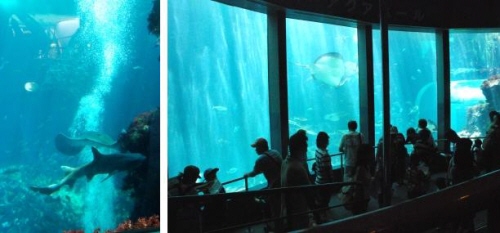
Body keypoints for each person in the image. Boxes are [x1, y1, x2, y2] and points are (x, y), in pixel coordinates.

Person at [244, 137, 283, 231]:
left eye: (256, 147)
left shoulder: (261, 159)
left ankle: (278, 229)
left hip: (274, 187)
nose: (255, 150)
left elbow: (254, 173)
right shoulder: (275, 152)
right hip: (283, 182)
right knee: (282, 207)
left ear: (261, 147)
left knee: (275, 209)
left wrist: (246, 175)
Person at [281, 130, 316, 230]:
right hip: (299, 213)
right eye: (305, 146)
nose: (306, 148)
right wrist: (316, 214)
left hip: (287, 212)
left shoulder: (285, 162)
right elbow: (309, 194)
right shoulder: (298, 168)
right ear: (300, 148)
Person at [314, 131, 334, 223]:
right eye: (327, 140)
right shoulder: (325, 155)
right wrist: (331, 181)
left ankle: (320, 217)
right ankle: (323, 219)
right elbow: (327, 170)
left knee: (320, 200)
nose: (328, 141)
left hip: (318, 179)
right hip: (325, 182)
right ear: (325, 141)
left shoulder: (317, 151)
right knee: (324, 201)